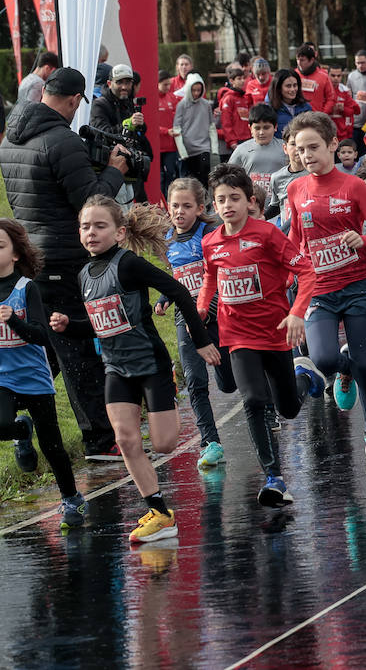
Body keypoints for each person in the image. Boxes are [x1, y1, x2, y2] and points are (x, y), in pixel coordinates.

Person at [52, 197, 219, 543]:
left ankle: (170, 387)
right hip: (116, 369)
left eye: (100, 226)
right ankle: (159, 512)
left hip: (150, 365)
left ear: (120, 232)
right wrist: (71, 324)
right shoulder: (83, 274)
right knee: (126, 441)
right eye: (85, 226)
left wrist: (201, 340)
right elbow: (102, 325)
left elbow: (179, 292)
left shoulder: (128, 264)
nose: (91, 233)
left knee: (164, 444)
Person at [0, 68, 125, 459]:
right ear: (74, 100)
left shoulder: (9, 139)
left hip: (31, 255)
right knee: (75, 349)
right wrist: (114, 173)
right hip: (62, 257)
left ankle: (17, 419)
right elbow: (91, 206)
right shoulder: (61, 140)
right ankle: (99, 440)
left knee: (49, 350)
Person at [281, 113, 366, 465]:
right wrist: (285, 273)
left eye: (314, 147)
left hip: (358, 285)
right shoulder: (296, 189)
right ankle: (343, 371)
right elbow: (295, 239)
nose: (307, 155)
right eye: (300, 150)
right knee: (324, 359)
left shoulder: (354, 187)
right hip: (319, 289)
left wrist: (361, 239)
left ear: (333, 144)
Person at [201, 164, 317, 507]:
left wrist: (296, 312)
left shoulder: (266, 234)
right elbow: (209, 282)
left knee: (290, 409)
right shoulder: (211, 243)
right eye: (220, 200)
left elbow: (306, 271)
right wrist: (198, 316)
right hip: (237, 335)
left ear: (250, 201)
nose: (227, 205)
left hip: (275, 331)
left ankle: (305, 375)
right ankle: (273, 477)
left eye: (234, 198)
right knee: (252, 400)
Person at [0, 218, 86, 529]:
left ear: (16, 254)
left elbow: (40, 335)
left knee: (53, 447)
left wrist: (14, 322)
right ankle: (21, 432)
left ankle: (71, 498)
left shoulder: (26, 288)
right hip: (2, 376)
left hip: (34, 377)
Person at [156, 178, 235, 470]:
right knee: (195, 380)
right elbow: (176, 278)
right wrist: (164, 298)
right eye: (175, 205)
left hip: (218, 314)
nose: (180, 211)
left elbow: (223, 271)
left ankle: (263, 405)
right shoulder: (167, 239)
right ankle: (210, 442)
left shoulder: (209, 234)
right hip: (185, 318)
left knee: (228, 383)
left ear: (200, 208)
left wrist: (206, 308)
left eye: (187, 206)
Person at [171, 73, 215, 185]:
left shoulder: (206, 105)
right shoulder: (182, 105)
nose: (196, 93)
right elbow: (177, 128)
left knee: (205, 178)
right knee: (191, 181)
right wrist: (182, 152)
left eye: (199, 90)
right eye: (194, 90)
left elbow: (211, 127)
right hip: (188, 149)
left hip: (204, 147)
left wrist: (214, 149)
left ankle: (205, 201)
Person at [294, 43, 337, 115]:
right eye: (297, 60)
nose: (299, 63)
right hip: (297, 118)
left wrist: (322, 114)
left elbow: (331, 98)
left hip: (317, 119)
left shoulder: (324, 76)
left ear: (312, 60)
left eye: (302, 60)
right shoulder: (293, 75)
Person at [217, 66, 253, 152]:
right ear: (231, 81)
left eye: (243, 78)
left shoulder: (244, 98)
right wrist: (232, 141)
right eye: (239, 78)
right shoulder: (228, 98)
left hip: (247, 139)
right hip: (236, 141)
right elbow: (226, 122)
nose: (242, 81)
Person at [270, 69, 312, 138]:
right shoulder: (270, 110)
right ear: (278, 88)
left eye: (295, 85)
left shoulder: (306, 108)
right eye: (288, 86)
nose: (292, 89)